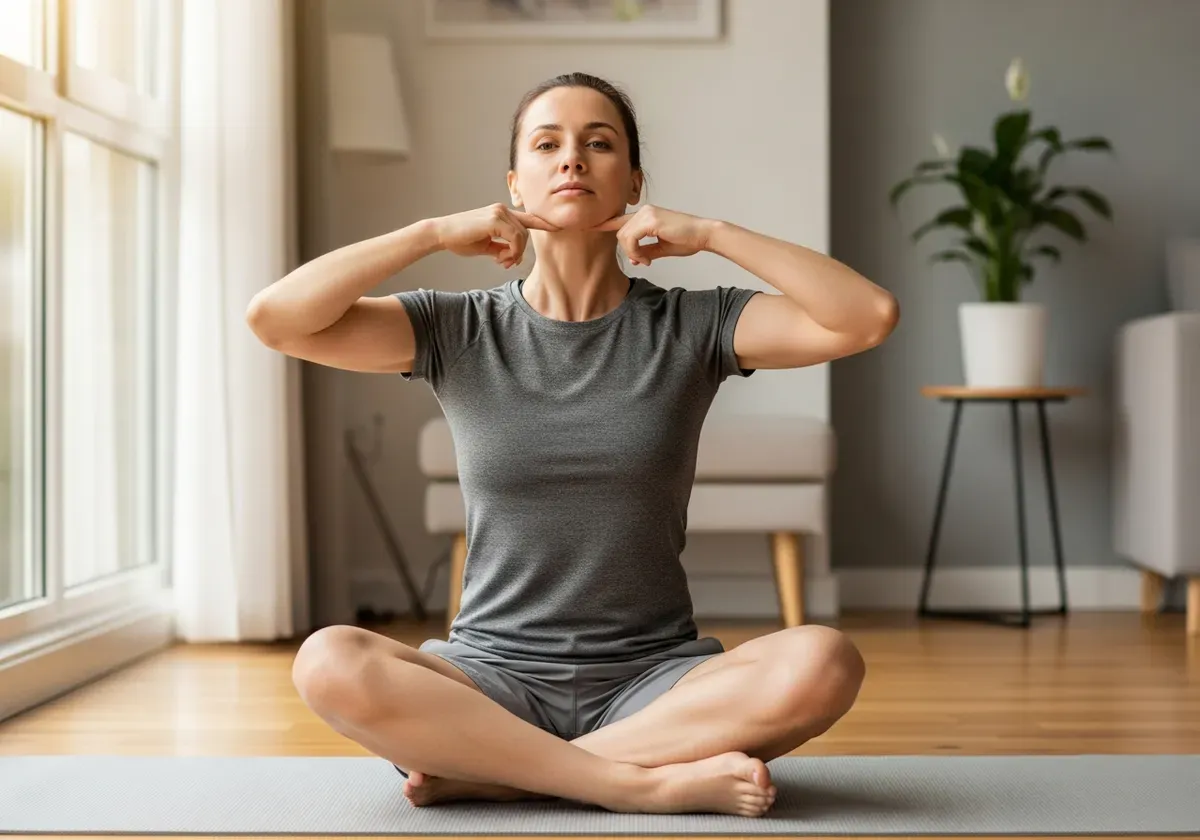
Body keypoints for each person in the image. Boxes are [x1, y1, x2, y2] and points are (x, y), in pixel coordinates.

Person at [247, 72, 898, 817]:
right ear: (515, 184)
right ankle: (629, 782)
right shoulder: (458, 328)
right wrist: (430, 234)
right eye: (547, 144)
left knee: (822, 660)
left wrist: (713, 234)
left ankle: (499, 774)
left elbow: (866, 316)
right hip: (489, 681)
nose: (572, 161)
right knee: (329, 660)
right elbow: (277, 320)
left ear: (634, 182)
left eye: (599, 144)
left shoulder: (693, 325)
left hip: (655, 684)